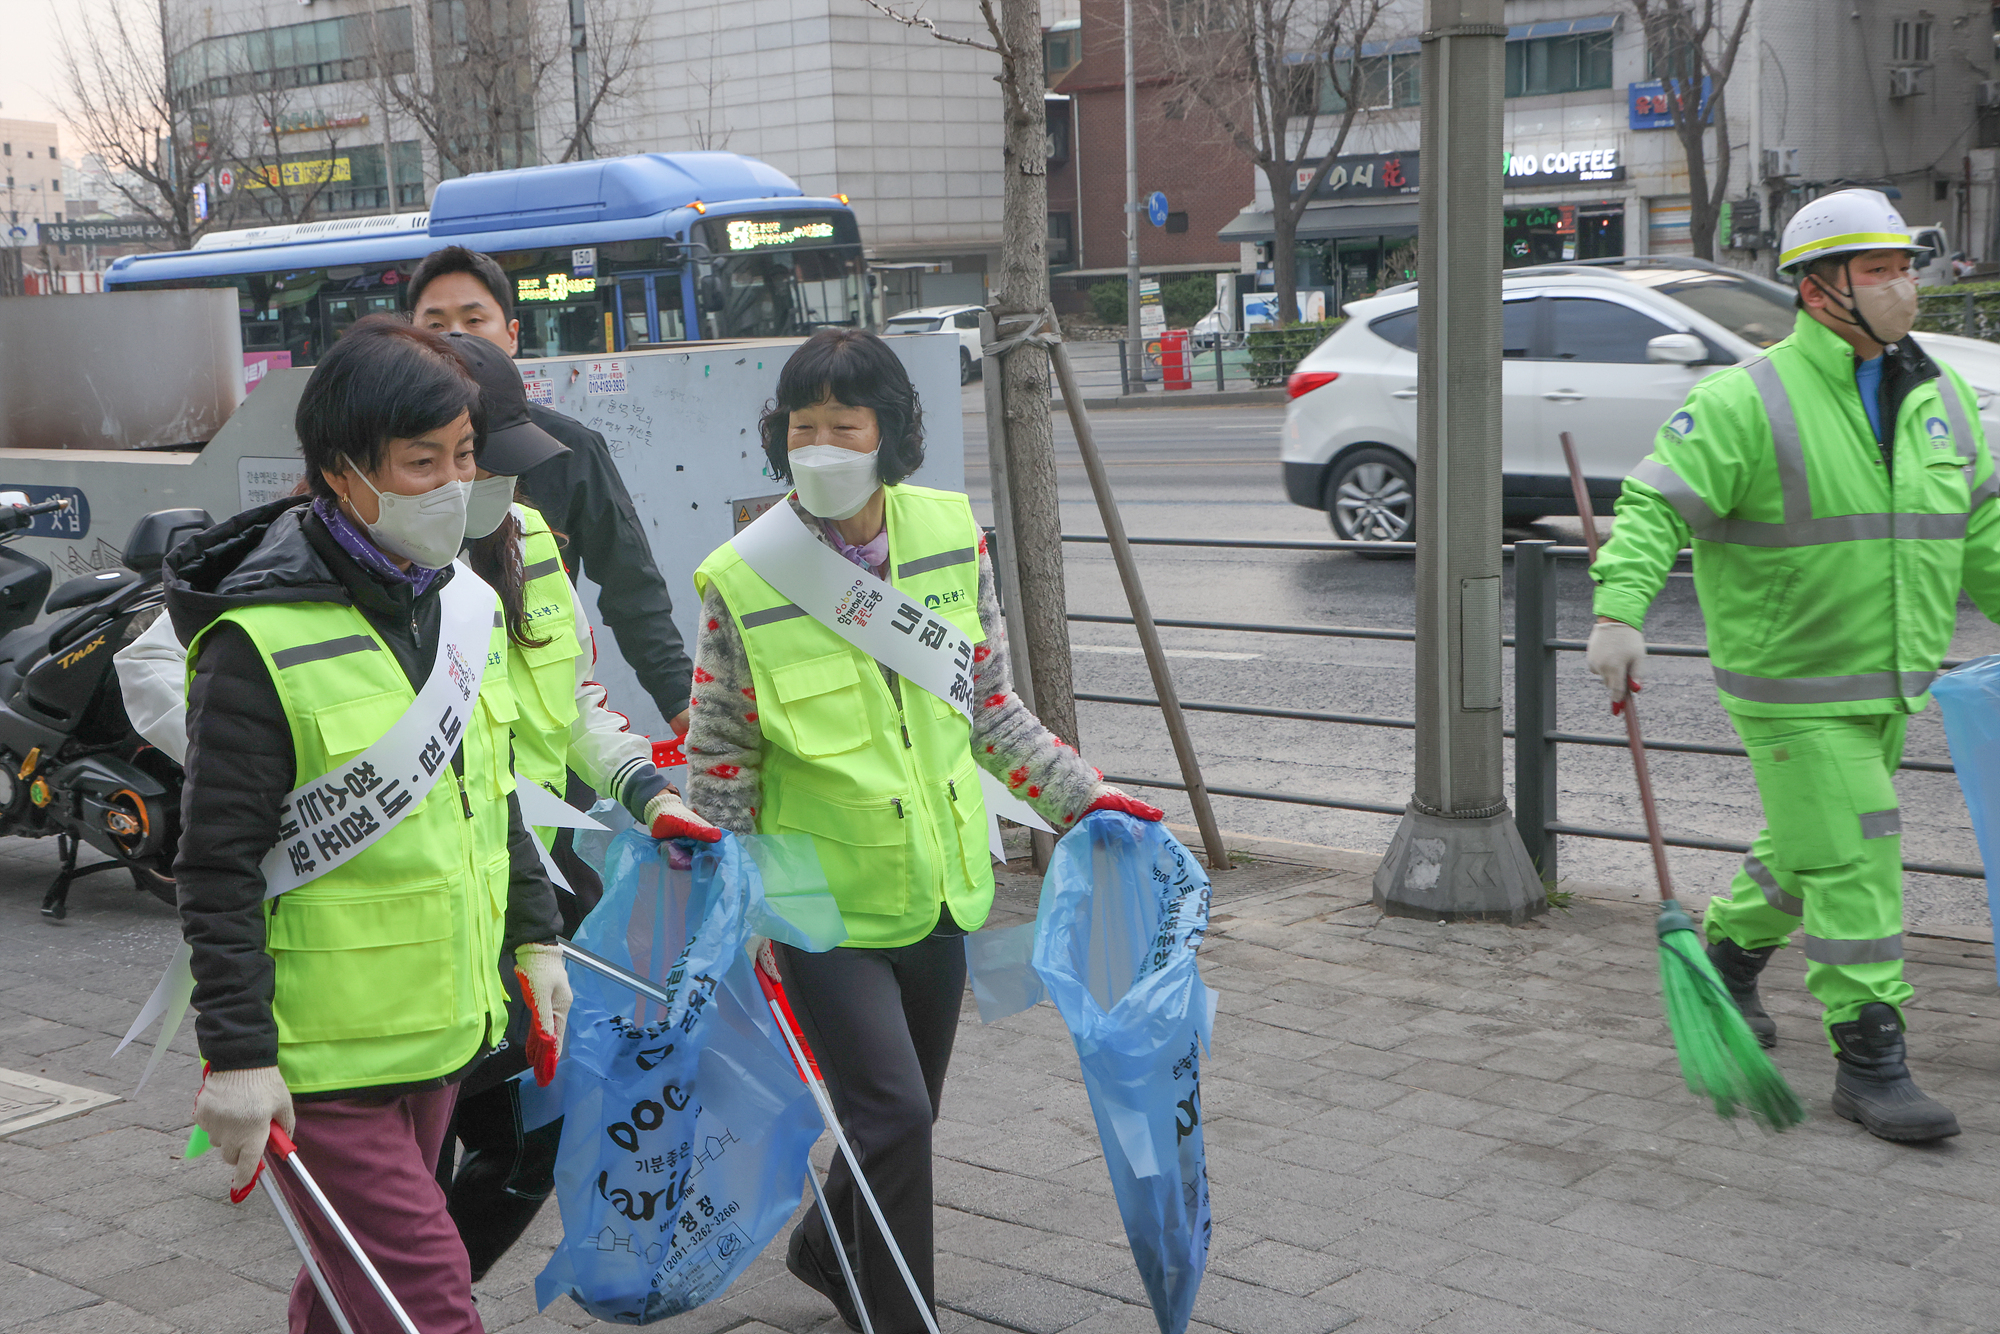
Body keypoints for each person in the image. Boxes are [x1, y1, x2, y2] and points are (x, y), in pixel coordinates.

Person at [684, 329, 1162, 1333]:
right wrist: (732, 909)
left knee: (900, 1114)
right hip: (818, 902)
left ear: (889, 434)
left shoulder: (949, 533)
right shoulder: (742, 574)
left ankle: (824, 1242)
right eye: (800, 426)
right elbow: (722, 757)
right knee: (893, 1112)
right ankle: (899, 1316)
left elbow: (989, 707)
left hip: (938, 883)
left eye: (842, 425)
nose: (819, 445)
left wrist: (1082, 798)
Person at [170, 316, 570, 1332]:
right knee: (428, 1292)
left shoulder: (459, 602)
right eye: (419, 461)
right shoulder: (256, 641)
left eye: (464, 455)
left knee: (350, 1289)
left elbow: (491, 795)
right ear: (343, 474)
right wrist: (239, 1053)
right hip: (322, 1058)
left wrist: (536, 936)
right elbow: (214, 866)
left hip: (439, 1026)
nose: (451, 482)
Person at [1586, 188, 2000, 1144]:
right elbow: (1653, 508)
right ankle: (1870, 1052)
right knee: (1856, 851)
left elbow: (1980, 534)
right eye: (1878, 270)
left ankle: (1729, 953)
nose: (1904, 286)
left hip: (1893, 678)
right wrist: (1618, 611)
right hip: (1793, 685)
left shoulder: (1936, 402)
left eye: (1906, 266)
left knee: (1813, 845)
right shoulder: (1747, 400)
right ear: (1820, 290)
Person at [405, 245, 693, 735]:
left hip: (547, 754)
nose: (454, 341)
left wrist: (678, 700)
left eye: (474, 321)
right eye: (435, 326)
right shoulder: (380, 471)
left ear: (511, 335)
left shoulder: (568, 450)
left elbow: (631, 586)